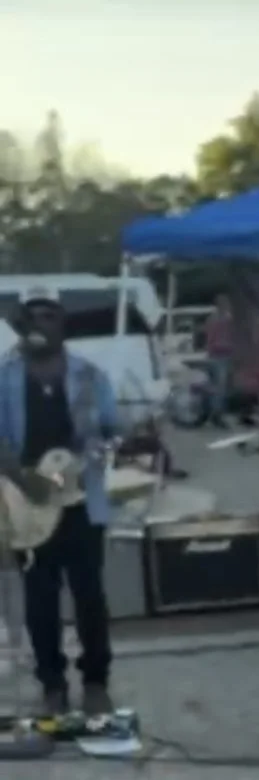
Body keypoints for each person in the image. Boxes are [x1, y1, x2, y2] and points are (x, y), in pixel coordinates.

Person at [0, 287, 121, 715]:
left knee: (89, 595)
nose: (40, 323)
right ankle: (52, 684)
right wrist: (23, 481)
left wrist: (104, 449)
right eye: (32, 315)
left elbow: (111, 430)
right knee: (40, 600)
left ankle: (95, 682)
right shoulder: (5, 375)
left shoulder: (89, 375)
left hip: (81, 501)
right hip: (28, 504)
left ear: (63, 323)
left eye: (48, 315)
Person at [203, 293, 234, 426]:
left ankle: (215, 412)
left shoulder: (222, 318)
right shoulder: (219, 319)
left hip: (221, 355)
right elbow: (212, 338)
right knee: (219, 387)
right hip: (218, 356)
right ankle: (216, 414)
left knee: (218, 386)